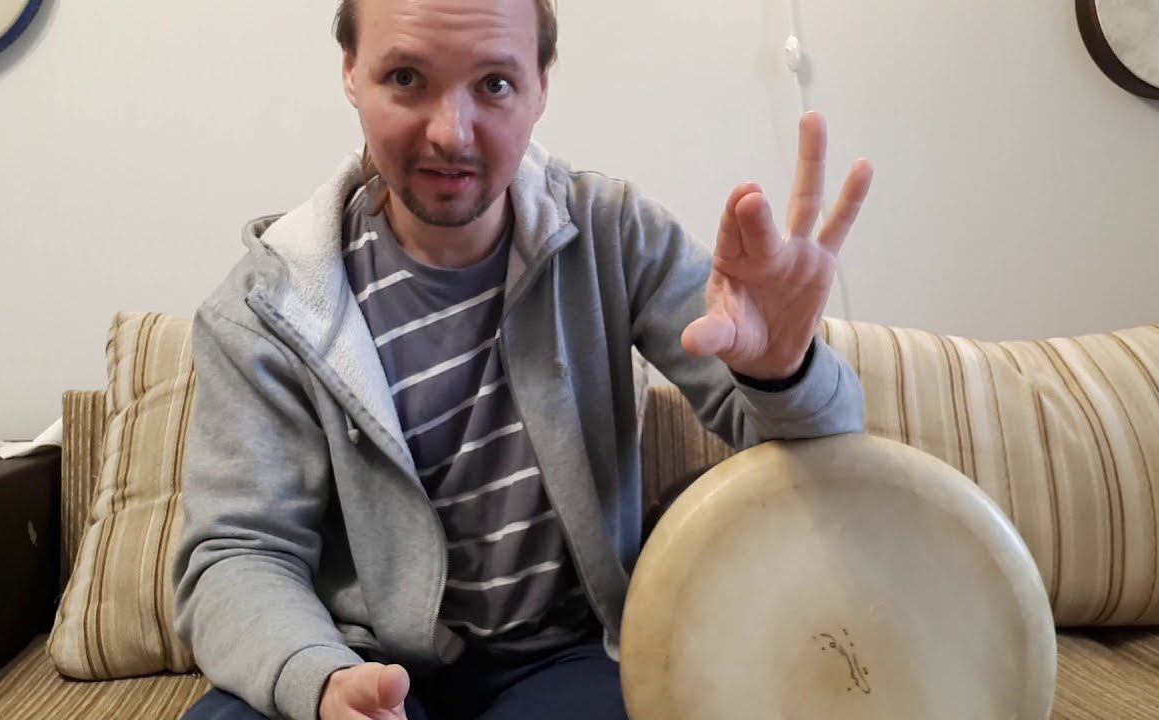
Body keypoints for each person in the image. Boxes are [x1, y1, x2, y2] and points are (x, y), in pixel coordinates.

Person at [173, 0, 874, 718]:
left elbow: (828, 454)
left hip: (563, 659)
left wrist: (783, 371)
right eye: (407, 78)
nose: (452, 133)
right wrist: (319, 681)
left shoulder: (613, 234)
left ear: (541, 87)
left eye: (494, 84)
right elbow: (238, 554)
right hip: (353, 654)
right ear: (351, 72)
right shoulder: (268, 305)